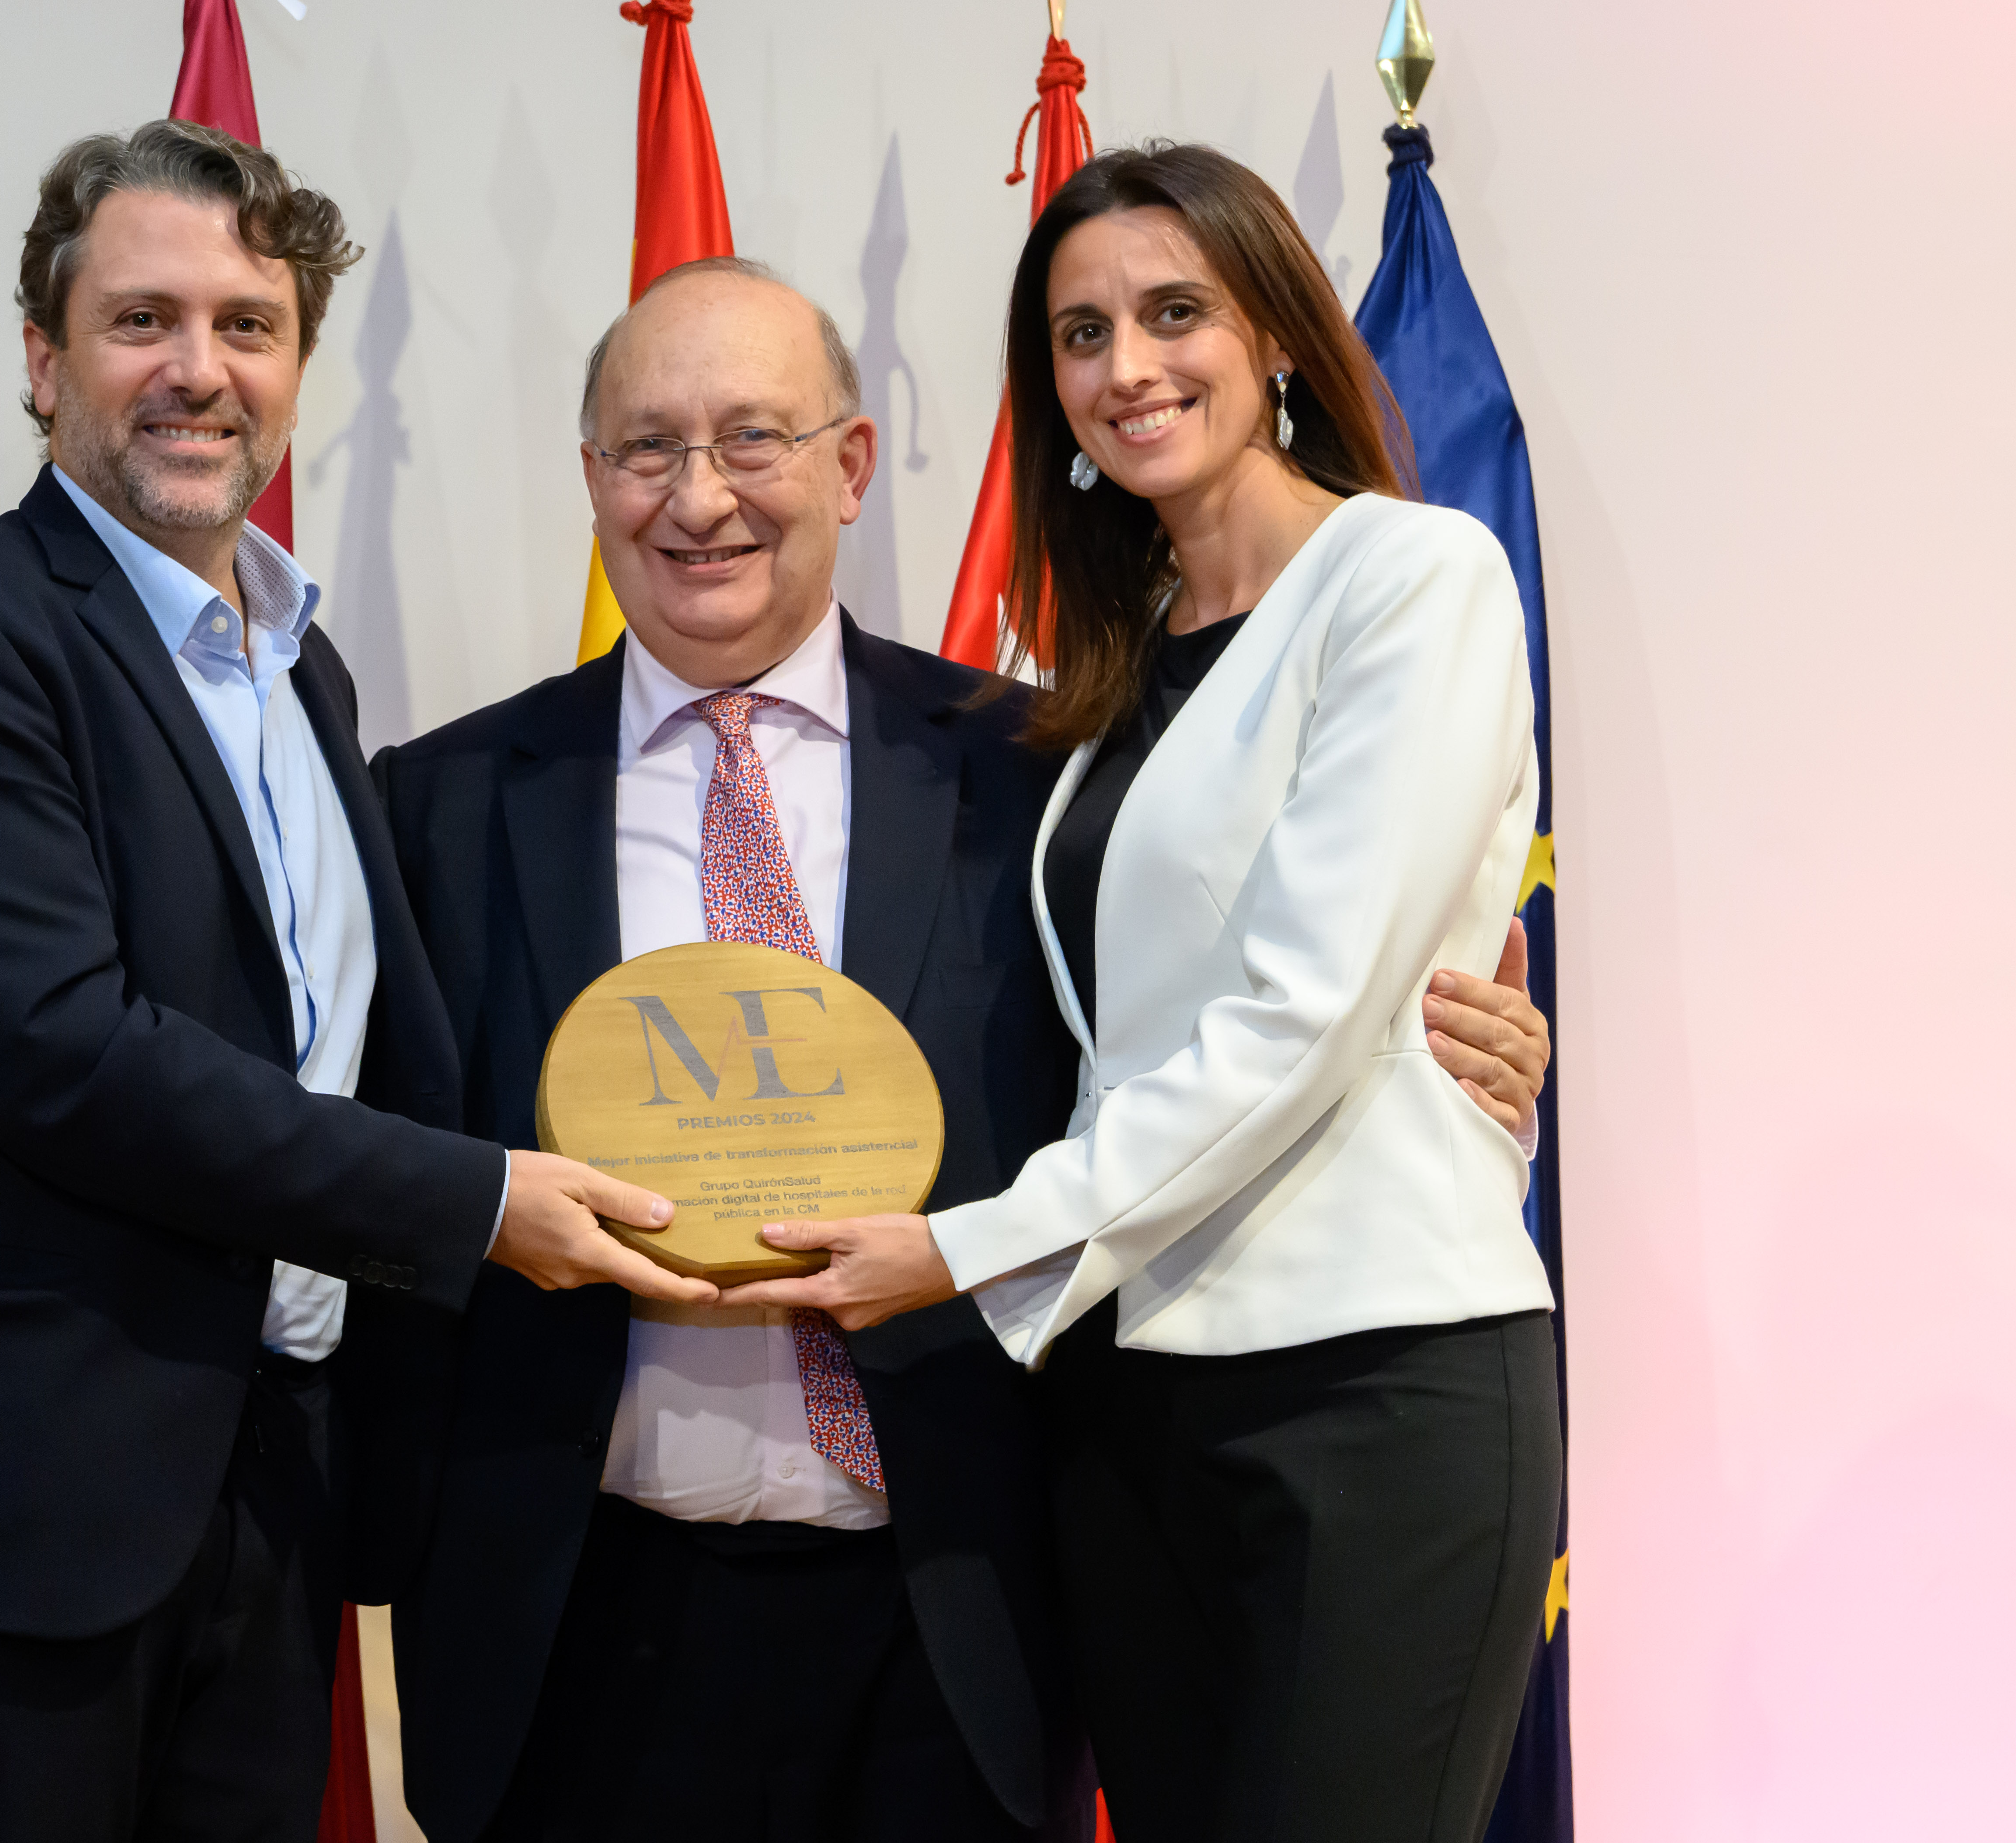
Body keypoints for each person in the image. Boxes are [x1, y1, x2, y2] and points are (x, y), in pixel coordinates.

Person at [374, 257, 1553, 1843]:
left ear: (851, 466)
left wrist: (1459, 1058)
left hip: (958, 1621)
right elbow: (377, 1168)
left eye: (753, 439)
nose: (698, 496)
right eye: (646, 448)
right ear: (592, 479)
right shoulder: (437, 805)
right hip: (580, 1626)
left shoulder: (1044, 782)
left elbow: (1217, 1023)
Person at [0, 120, 706, 1843]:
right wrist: (476, 1202)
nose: (199, 369)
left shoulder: (302, 668)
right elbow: (69, 1054)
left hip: (265, 1500)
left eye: (248, 324)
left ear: (298, 364)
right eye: (141, 320)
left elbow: (342, 1045)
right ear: (43, 358)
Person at [725, 144, 1563, 1843]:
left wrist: (959, 1244)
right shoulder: (1098, 674)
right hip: (1126, 1406)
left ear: (1277, 340)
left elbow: (1310, 1008)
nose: (1128, 367)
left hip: (1371, 1387)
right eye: (1081, 333)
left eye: (1175, 311)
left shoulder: (1412, 579)